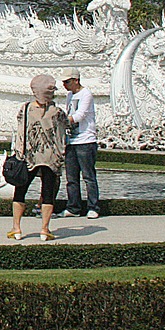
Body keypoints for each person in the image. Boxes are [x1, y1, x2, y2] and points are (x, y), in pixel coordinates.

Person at [7, 74, 69, 241]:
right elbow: (64, 130)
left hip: (29, 157)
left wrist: (19, 152)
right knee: (48, 193)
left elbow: (21, 132)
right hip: (50, 157)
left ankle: (17, 228)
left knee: (20, 191)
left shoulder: (26, 108)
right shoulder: (57, 112)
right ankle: (44, 229)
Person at [58, 69, 100, 219]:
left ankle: (93, 207)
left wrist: (61, 121)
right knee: (71, 177)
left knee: (88, 176)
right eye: (63, 82)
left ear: (76, 80)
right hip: (72, 140)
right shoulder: (70, 95)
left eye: (67, 82)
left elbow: (80, 115)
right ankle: (74, 207)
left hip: (86, 140)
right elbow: (70, 113)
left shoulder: (86, 94)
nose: (64, 85)